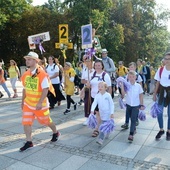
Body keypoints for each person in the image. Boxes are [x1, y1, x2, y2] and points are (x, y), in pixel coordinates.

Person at [20, 51, 60, 152]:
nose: (27, 61)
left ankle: (56, 132)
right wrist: (22, 101)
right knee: (26, 122)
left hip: (40, 105)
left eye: (29, 59)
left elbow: (45, 89)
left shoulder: (42, 74)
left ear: (36, 61)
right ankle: (29, 142)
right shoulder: (26, 74)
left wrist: (39, 102)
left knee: (46, 121)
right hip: (28, 104)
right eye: (26, 59)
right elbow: (25, 89)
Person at [86, 60, 112, 137]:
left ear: (102, 66)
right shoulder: (92, 74)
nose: (97, 67)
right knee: (97, 113)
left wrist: (109, 98)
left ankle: (98, 128)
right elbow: (89, 86)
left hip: (103, 98)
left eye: (99, 65)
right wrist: (87, 85)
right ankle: (98, 128)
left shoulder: (105, 75)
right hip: (94, 97)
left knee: (101, 113)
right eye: (96, 65)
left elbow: (109, 87)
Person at [120, 70, 144, 141]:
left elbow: (141, 95)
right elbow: (123, 94)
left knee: (133, 119)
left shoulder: (138, 86)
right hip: (129, 105)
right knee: (131, 117)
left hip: (136, 105)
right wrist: (122, 86)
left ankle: (131, 134)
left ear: (135, 77)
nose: (131, 78)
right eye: (130, 77)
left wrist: (141, 104)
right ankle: (134, 129)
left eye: (133, 77)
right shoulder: (127, 85)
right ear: (128, 77)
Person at [153, 52, 170, 141]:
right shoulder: (160, 70)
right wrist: (154, 94)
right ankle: (161, 129)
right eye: (165, 59)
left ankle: (169, 131)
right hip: (162, 93)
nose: (166, 60)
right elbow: (157, 83)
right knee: (159, 112)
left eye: (168, 59)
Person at [121, 62, 143, 129]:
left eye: (132, 67)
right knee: (127, 111)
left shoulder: (138, 76)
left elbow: (140, 85)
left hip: (136, 96)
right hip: (129, 96)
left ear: (135, 68)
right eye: (130, 67)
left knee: (135, 109)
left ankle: (135, 120)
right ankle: (126, 123)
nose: (131, 69)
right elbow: (124, 85)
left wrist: (140, 95)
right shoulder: (127, 76)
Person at [81, 56, 95, 125]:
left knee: (93, 103)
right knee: (86, 103)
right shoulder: (85, 69)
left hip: (94, 88)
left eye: (89, 61)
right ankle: (87, 117)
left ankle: (94, 116)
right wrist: (87, 81)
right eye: (86, 61)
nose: (88, 62)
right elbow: (82, 80)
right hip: (87, 88)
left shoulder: (95, 69)